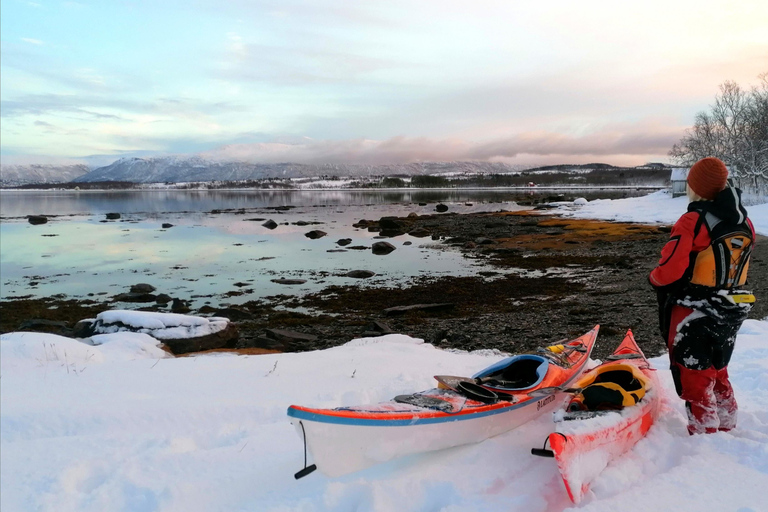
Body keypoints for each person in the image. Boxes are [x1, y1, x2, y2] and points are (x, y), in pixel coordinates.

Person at [650, 157, 755, 434]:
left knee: (693, 371)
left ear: (695, 187)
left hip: (694, 307)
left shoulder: (693, 220)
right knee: (718, 366)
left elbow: (670, 270)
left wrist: (653, 279)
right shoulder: (745, 222)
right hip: (730, 307)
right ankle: (727, 422)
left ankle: (704, 435)